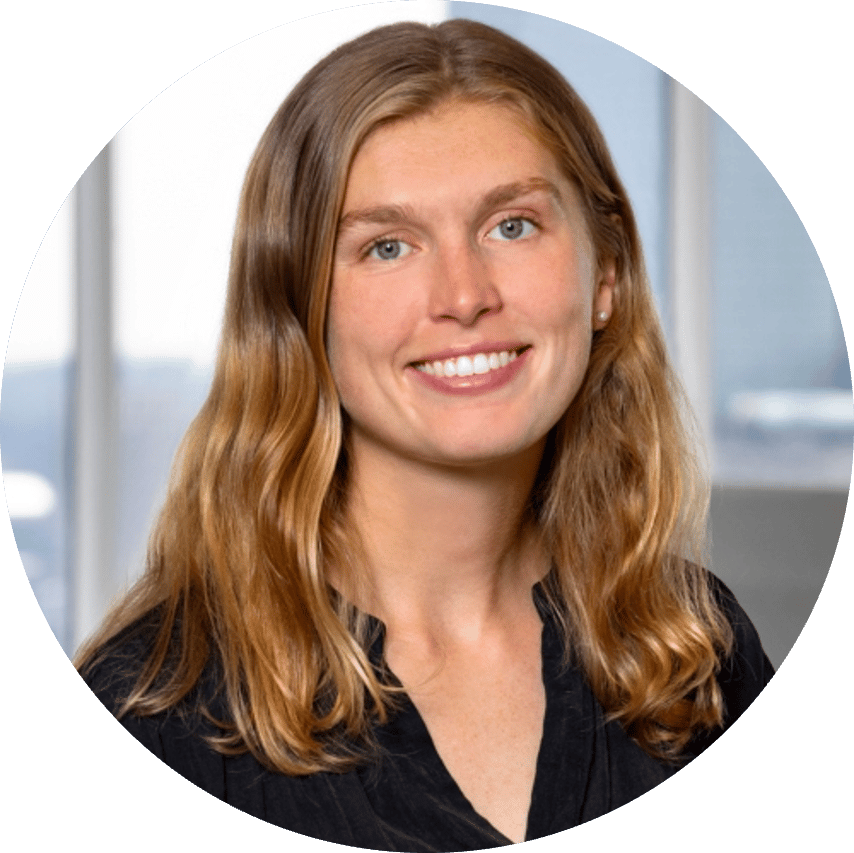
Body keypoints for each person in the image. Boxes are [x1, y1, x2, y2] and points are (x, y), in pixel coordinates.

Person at [77, 19, 773, 850]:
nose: (464, 295)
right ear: (299, 310)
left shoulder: (696, 646)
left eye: (512, 225)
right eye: (388, 246)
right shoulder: (154, 714)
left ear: (607, 275)